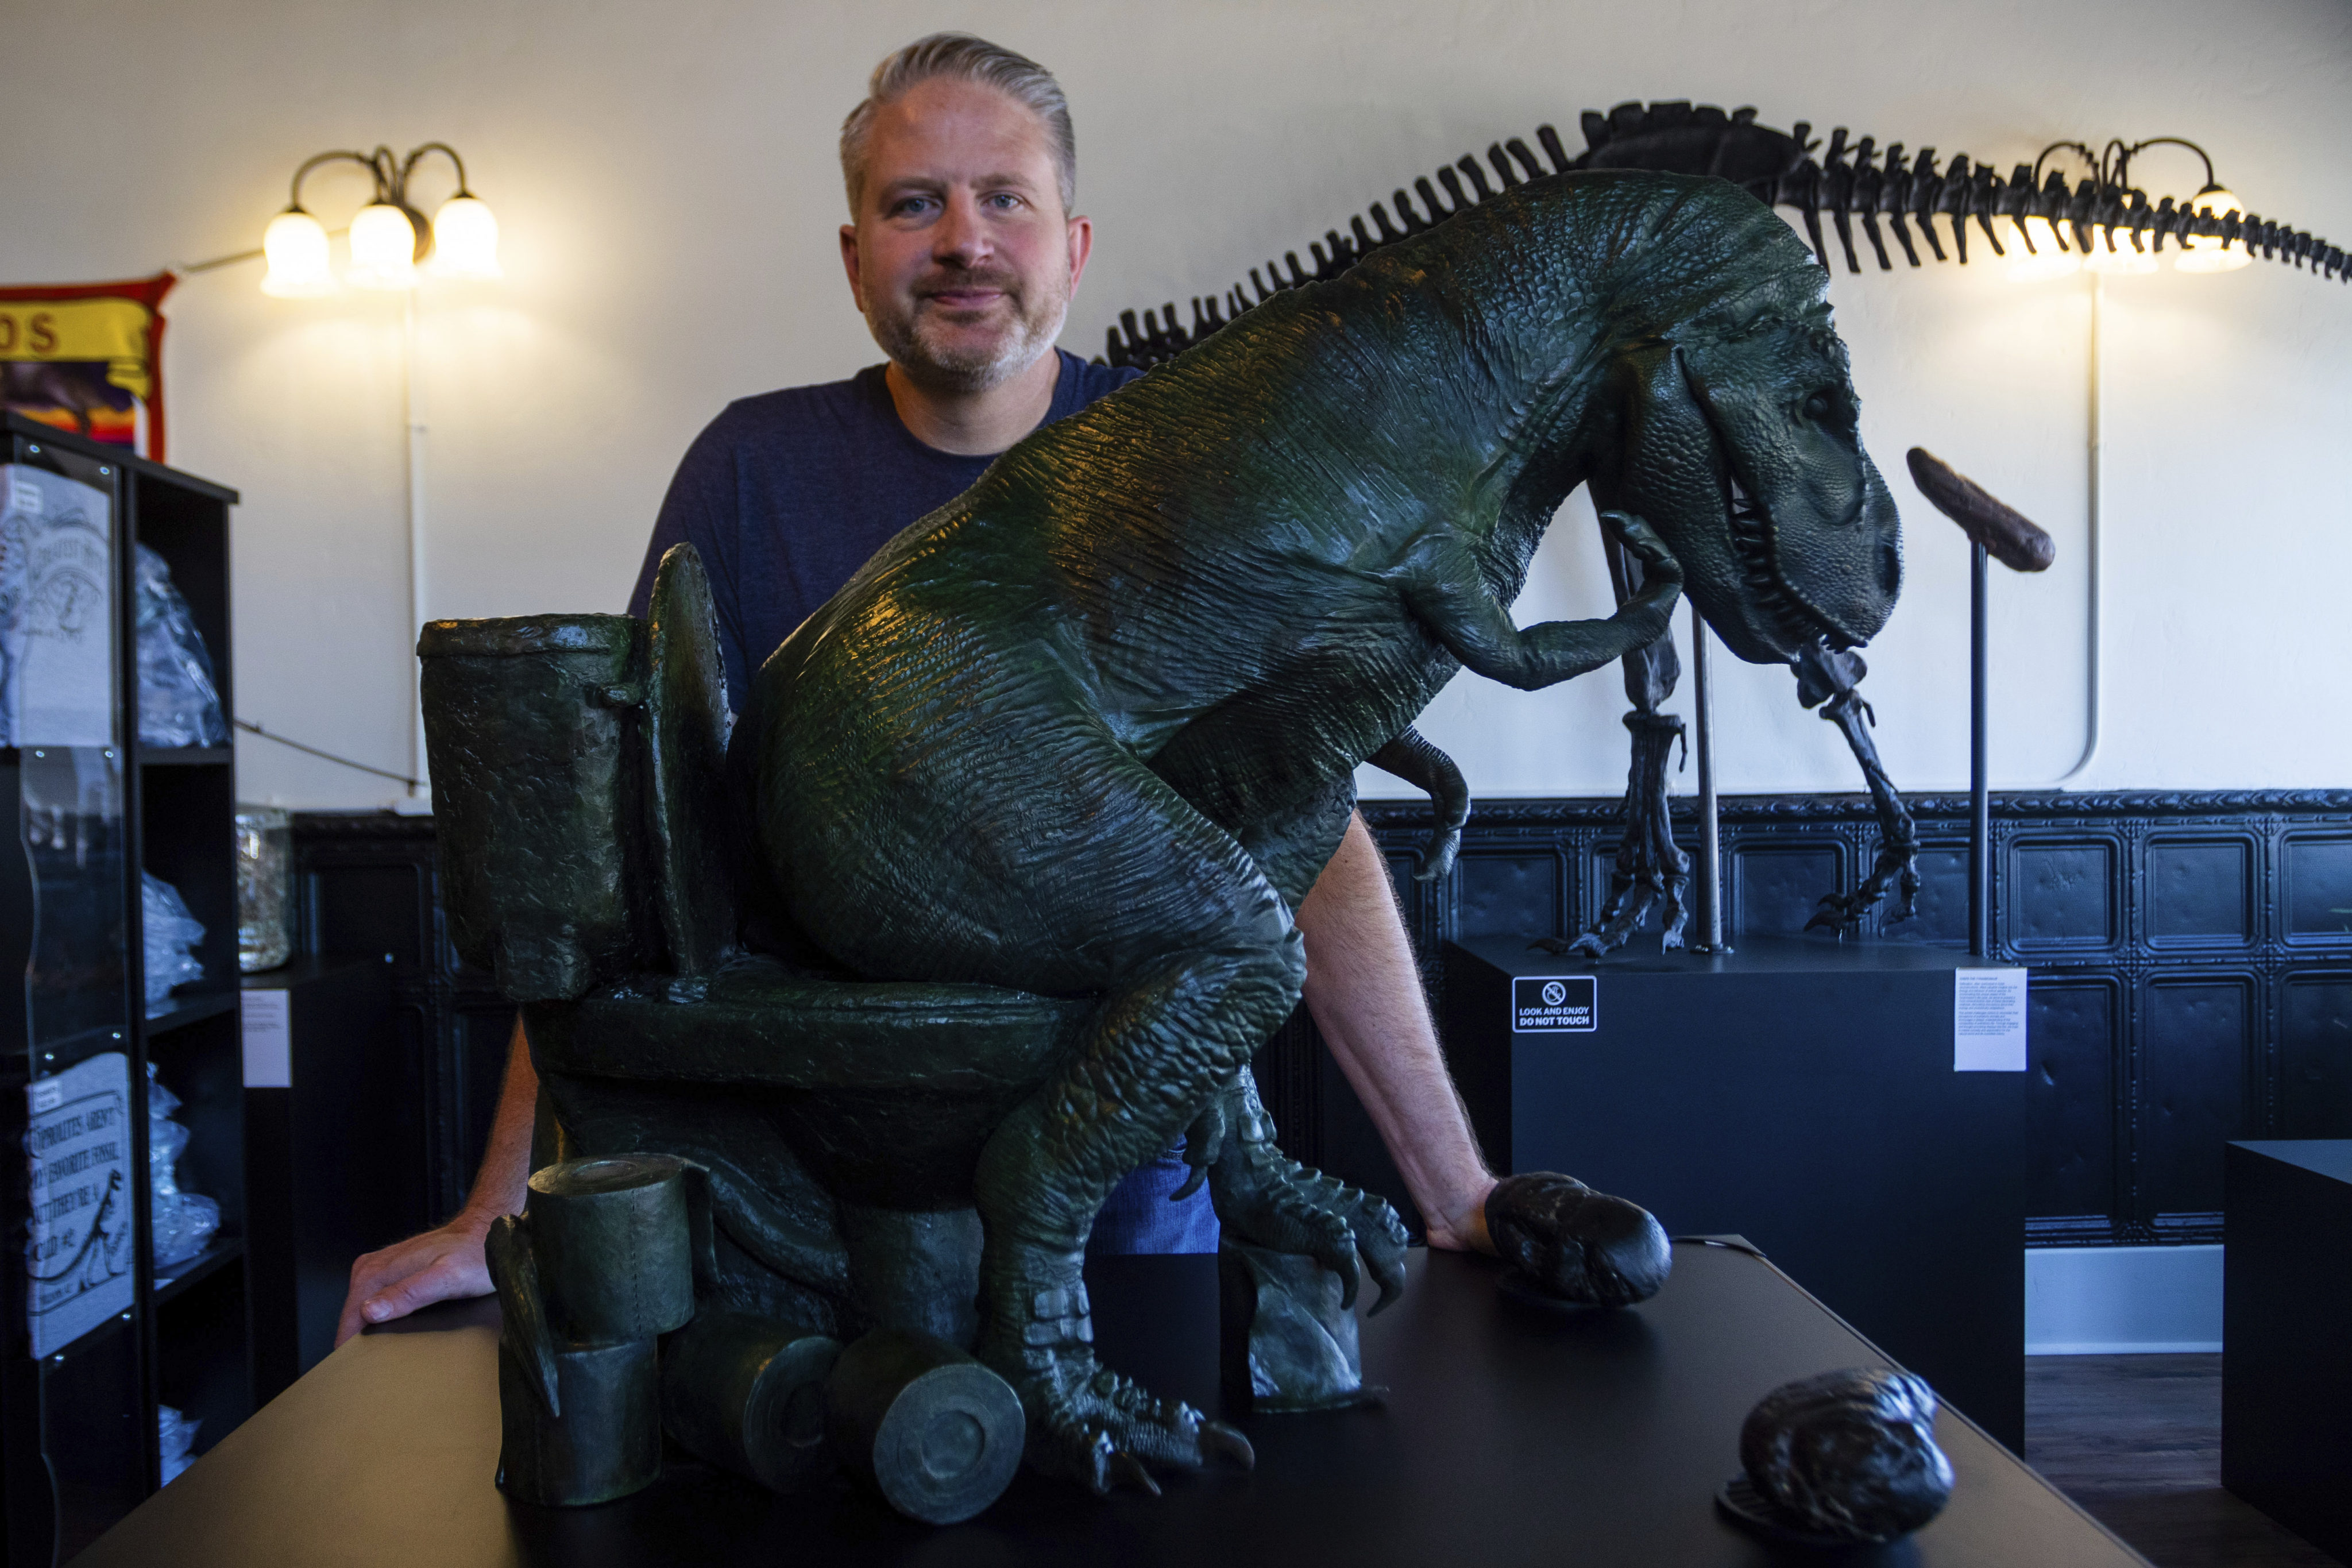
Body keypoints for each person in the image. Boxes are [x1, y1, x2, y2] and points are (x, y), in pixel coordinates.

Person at [337, 32, 1499, 1346]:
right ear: (853, 260)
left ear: (1073, 244)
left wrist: (1456, 1189)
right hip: (807, 1206)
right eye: (913, 203)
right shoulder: (749, 471)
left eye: (1005, 197)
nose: (962, 240)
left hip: (1121, 1209)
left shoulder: (1186, 471)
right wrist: (502, 1210)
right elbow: (628, 862)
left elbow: (1301, 831)